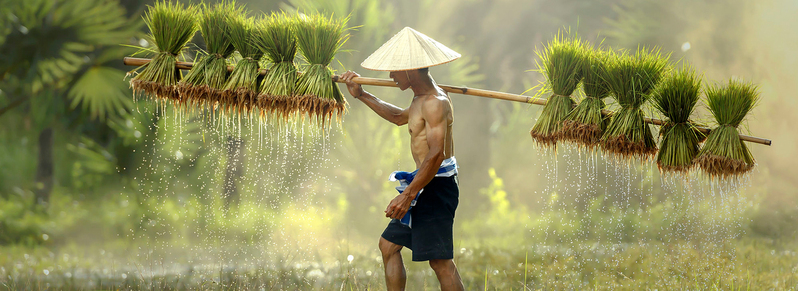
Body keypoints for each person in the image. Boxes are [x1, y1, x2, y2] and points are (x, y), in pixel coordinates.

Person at [339, 27, 465, 291]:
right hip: (423, 183)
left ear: (411, 69)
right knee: (388, 246)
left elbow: (436, 154)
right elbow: (399, 118)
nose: (391, 76)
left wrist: (407, 195)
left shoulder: (434, 102)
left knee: (440, 263)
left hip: (435, 186)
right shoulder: (421, 98)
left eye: (395, 70)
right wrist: (361, 94)